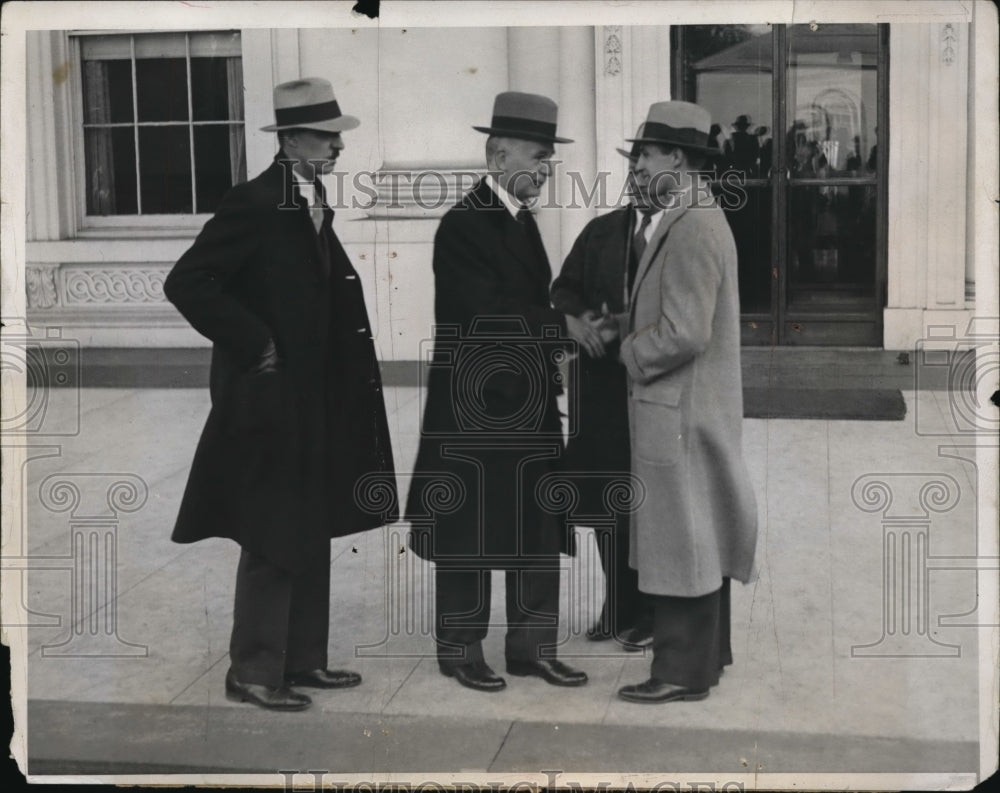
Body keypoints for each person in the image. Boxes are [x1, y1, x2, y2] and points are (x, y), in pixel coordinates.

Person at [164, 78, 398, 712]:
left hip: (314, 399)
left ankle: (303, 660)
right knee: (272, 529)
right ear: (291, 140)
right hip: (269, 401)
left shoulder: (309, 198)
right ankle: (254, 671)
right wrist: (256, 343)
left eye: (337, 137)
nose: (337, 147)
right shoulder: (255, 201)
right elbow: (188, 281)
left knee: (309, 520)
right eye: (326, 137)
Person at [406, 91, 601, 693]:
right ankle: (459, 650)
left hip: (525, 401)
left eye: (549, 160)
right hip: (476, 407)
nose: (546, 170)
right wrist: (560, 326)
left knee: (535, 522)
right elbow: (480, 313)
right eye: (538, 158)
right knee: (469, 527)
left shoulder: (519, 219)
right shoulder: (463, 223)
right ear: (497, 157)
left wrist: (559, 338)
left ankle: (531, 649)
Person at [606, 101, 758, 704]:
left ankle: (678, 672)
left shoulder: (691, 223)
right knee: (699, 533)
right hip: (686, 408)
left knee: (680, 539)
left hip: (679, 411)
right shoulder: (693, 214)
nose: (637, 166)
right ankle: (705, 659)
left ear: (677, 157)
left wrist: (629, 350)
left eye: (644, 154)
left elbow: (686, 332)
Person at [550, 142, 653, 651]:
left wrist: (625, 326)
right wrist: (576, 319)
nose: (637, 174)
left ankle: (650, 612)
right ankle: (617, 606)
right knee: (608, 507)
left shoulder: (683, 235)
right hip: (601, 391)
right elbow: (563, 288)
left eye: (645, 164)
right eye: (632, 165)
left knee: (651, 507)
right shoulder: (602, 230)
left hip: (653, 389)